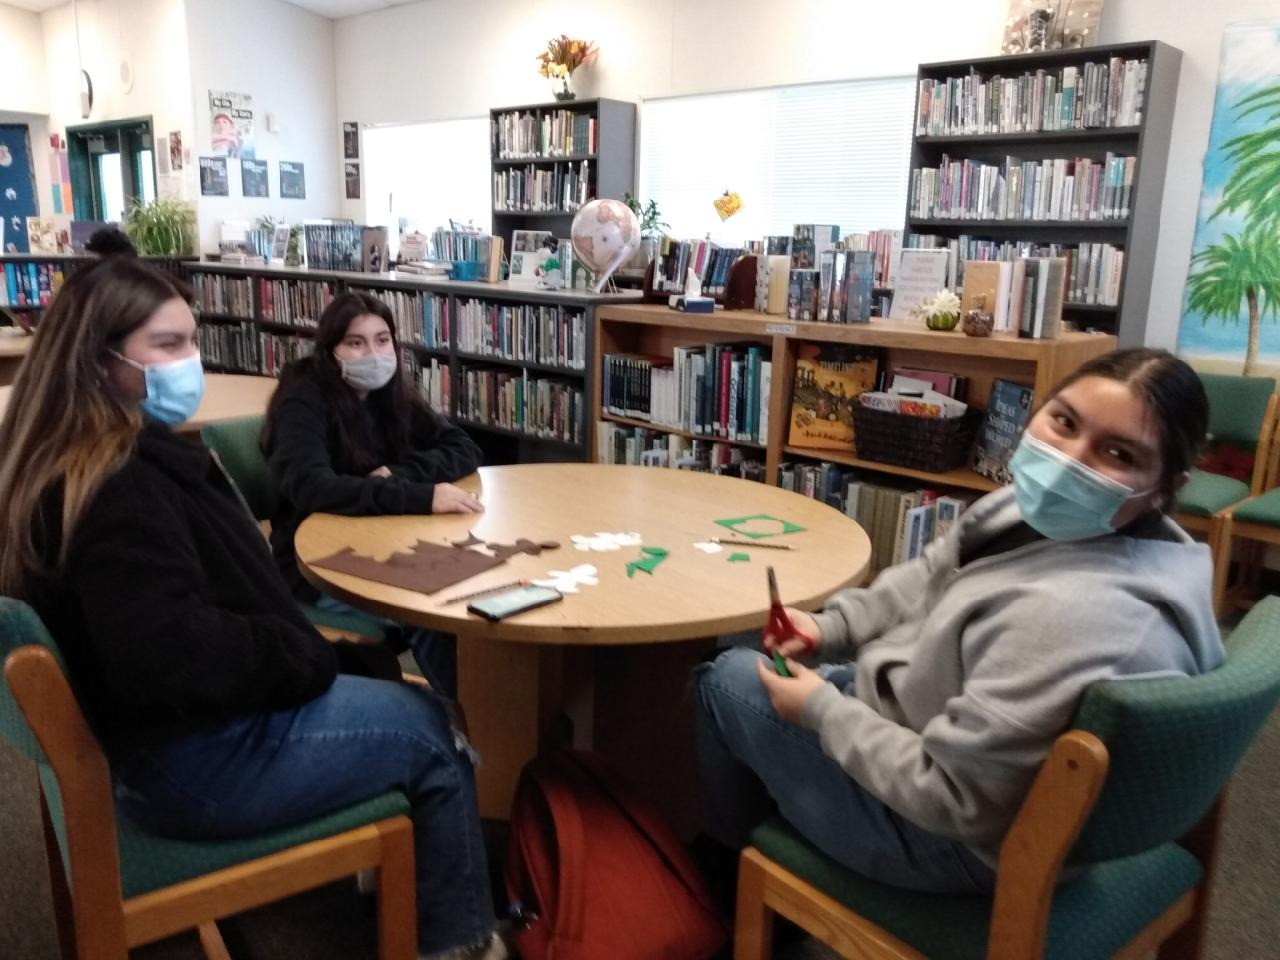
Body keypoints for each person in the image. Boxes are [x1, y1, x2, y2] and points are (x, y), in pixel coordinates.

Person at [0, 258, 505, 960]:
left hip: (154, 741)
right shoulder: (118, 488)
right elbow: (168, 653)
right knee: (430, 731)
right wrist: (301, 654)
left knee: (382, 687)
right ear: (98, 361)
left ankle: (402, 876)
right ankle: (460, 944)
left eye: (191, 342)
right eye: (167, 346)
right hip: (188, 763)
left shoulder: (75, 458)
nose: (190, 364)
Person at [695, 348, 1225, 895]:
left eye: (1118, 453)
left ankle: (731, 879)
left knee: (724, 678)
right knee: (772, 679)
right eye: (1064, 421)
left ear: (1163, 488)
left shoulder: (1074, 621)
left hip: (955, 838)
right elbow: (931, 572)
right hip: (931, 727)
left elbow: (952, 796)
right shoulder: (1033, 510)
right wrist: (832, 629)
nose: (1069, 459)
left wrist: (823, 712)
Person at [263, 291, 483, 695]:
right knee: (433, 609)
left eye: (383, 340)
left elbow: (463, 448)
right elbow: (312, 487)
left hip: (387, 542)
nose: (373, 353)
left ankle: (490, 719)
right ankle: (469, 723)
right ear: (330, 351)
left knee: (473, 587)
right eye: (355, 342)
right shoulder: (303, 398)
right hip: (316, 565)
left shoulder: (391, 394)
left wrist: (399, 475)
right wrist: (418, 496)